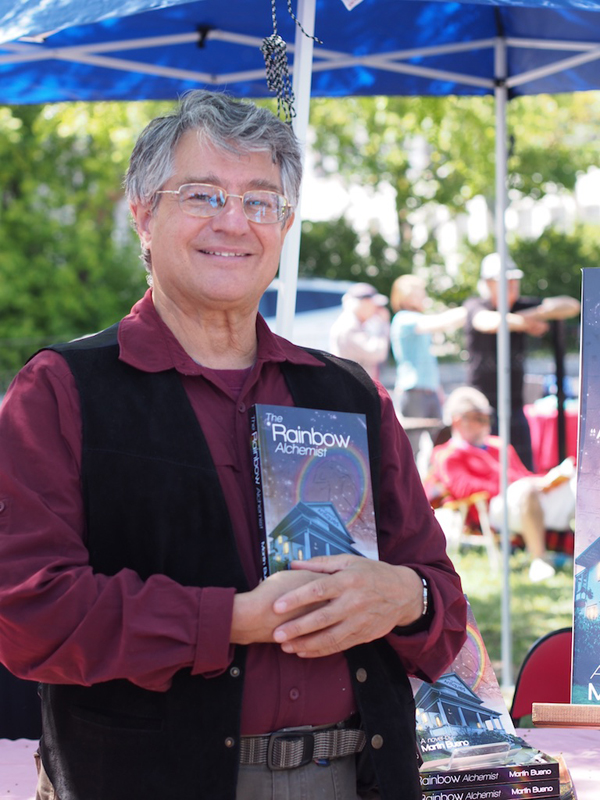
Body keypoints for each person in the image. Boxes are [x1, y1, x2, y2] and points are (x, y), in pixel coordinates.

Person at [0, 90, 466, 800]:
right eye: (203, 194)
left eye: (260, 200)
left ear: (284, 225)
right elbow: (28, 610)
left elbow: (443, 598)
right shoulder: (63, 392)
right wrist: (229, 621)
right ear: (143, 214)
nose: (234, 222)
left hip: (359, 777)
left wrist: (408, 596)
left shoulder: (347, 393)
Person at [427, 386, 576, 582]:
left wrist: (545, 480)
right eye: (478, 418)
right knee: (526, 490)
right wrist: (516, 484)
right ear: (457, 420)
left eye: (487, 417)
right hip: (493, 510)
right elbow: (464, 489)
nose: (485, 423)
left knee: (577, 482)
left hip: (524, 496)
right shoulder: (447, 454)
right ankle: (540, 559)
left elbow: (523, 474)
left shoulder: (499, 445)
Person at [464, 252, 580, 470]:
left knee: (524, 468)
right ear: (488, 284)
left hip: (515, 403)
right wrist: (525, 322)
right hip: (482, 405)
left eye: (514, 281)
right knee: (489, 470)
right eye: (505, 282)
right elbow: (486, 322)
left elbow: (570, 305)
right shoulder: (476, 305)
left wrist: (534, 314)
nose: (512, 286)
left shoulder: (520, 306)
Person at [389, 274, 466, 457]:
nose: (423, 296)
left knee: (442, 446)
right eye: (419, 292)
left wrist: (436, 388)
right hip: (414, 391)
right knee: (411, 451)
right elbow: (438, 323)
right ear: (405, 296)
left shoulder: (414, 319)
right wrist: (470, 310)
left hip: (429, 391)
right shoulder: (404, 319)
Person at [328, 282, 390, 381]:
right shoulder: (349, 326)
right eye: (375, 305)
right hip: (351, 387)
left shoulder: (352, 323)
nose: (377, 310)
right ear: (363, 303)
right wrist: (383, 325)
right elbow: (377, 353)